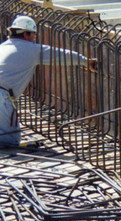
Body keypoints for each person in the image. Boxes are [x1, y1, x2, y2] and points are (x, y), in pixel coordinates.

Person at [0, 15, 97, 147]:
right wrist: (85, 61)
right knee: (11, 140)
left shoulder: (3, 47)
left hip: (3, 94)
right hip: (2, 97)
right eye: (33, 35)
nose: (34, 38)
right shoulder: (31, 49)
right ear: (26, 34)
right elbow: (59, 55)